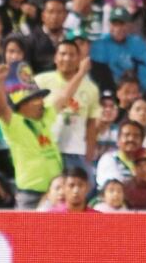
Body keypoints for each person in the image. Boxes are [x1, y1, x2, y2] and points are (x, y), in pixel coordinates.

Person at [0, 60, 77, 210]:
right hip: (30, 196)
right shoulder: (15, 124)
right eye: (36, 99)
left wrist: (81, 72)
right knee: (26, 227)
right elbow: (0, 108)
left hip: (56, 193)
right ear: (23, 105)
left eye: (41, 98)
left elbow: (65, 96)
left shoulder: (45, 117)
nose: (42, 102)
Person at [35, 41, 101, 175]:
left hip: (76, 152)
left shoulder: (91, 88)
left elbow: (91, 124)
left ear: (79, 59)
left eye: (72, 55)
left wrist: (88, 155)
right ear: (55, 57)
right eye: (63, 54)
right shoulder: (40, 81)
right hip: (46, 150)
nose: (67, 58)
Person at [90, 6, 146, 93]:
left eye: (122, 24)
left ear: (130, 25)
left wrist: (142, 91)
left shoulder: (138, 43)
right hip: (108, 90)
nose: (118, 28)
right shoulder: (100, 43)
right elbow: (98, 74)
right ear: (109, 25)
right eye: (114, 24)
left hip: (134, 90)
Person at [95, 120, 146, 190]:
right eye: (126, 135)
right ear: (118, 140)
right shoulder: (109, 159)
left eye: (136, 136)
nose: (131, 139)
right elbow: (113, 188)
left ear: (142, 141)